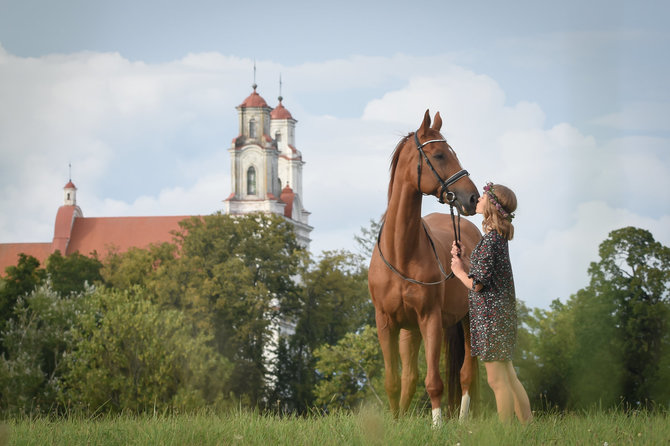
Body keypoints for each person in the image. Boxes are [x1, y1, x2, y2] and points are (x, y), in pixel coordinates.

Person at [450, 182, 532, 424]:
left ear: (492, 206)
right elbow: (483, 274)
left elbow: (477, 284)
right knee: (509, 376)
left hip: (490, 319)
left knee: (497, 381)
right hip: (500, 317)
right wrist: (465, 259)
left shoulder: (490, 242)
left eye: (484, 196)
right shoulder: (496, 240)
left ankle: (505, 434)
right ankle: (528, 426)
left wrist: (457, 271)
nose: (479, 199)